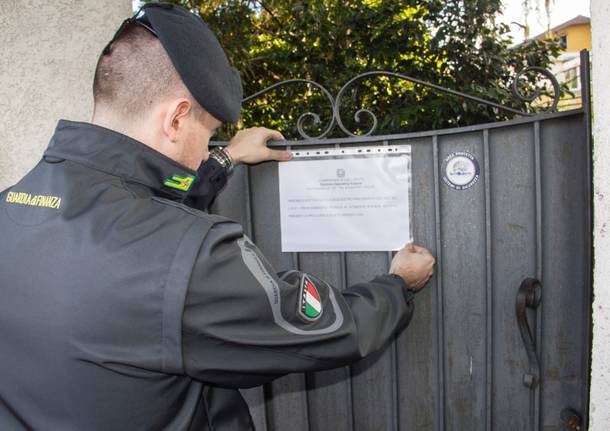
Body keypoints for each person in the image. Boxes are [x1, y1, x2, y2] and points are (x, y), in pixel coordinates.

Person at [0, 3, 435, 430]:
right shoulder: (197, 258)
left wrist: (224, 160)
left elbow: (139, 218)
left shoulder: (11, 207)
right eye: (207, 135)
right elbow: (330, 330)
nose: (203, 151)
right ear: (176, 118)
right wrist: (397, 284)